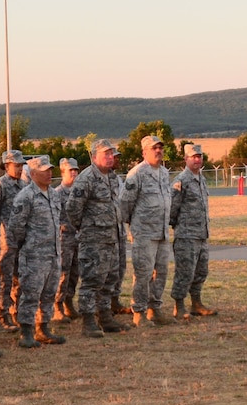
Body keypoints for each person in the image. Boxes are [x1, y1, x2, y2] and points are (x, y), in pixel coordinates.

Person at [67, 139, 129, 338]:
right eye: (106, 154)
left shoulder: (111, 177)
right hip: (93, 240)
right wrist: (87, 228)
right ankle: (88, 321)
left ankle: (105, 317)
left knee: (109, 279)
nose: (110, 157)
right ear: (94, 157)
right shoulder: (86, 179)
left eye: (112, 154)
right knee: (92, 281)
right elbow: (73, 208)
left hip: (112, 238)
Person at [6, 154, 67, 347]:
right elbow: (15, 228)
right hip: (33, 255)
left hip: (53, 254)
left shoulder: (54, 194)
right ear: (33, 174)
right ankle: (26, 332)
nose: (50, 173)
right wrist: (25, 248)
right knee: (30, 294)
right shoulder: (26, 196)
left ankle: (43, 328)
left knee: (49, 293)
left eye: (50, 169)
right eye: (45, 170)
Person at [122, 134, 175, 325]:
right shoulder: (136, 174)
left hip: (161, 232)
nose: (159, 151)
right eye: (154, 148)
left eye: (160, 147)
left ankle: (155, 309)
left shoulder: (163, 172)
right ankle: (139, 312)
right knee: (143, 274)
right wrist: (135, 226)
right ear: (144, 152)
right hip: (144, 233)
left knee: (161, 272)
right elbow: (125, 204)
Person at [170, 144, 214, 318]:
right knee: (184, 272)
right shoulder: (181, 181)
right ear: (186, 159)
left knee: (201, 271)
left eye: (199, 156)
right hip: (186, 235)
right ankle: (179, 306)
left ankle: (196, 303)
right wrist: (179, 227)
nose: (197, 159)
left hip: (202, 234)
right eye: (193, 156)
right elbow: (173, 209)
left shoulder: (201, 179)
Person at [0, 150, 27, 326]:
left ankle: (16, 311)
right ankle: (0, 312)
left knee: (19, 278)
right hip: (4, 241)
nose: (19, 169)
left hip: (20, 239)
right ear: (6, 166)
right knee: (3, 279)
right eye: (16, 165)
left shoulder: (24, 185)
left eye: (21, 165)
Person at [56, 157, 82, 319]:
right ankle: (57, 305)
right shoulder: (57, 194)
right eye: (70, 170)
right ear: (62, 172)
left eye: (75, 170)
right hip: (63, 239)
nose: (73, 173)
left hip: (78, 238)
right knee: (62, 273)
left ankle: (69, 301)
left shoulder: (79, 193)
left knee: (75, 273)